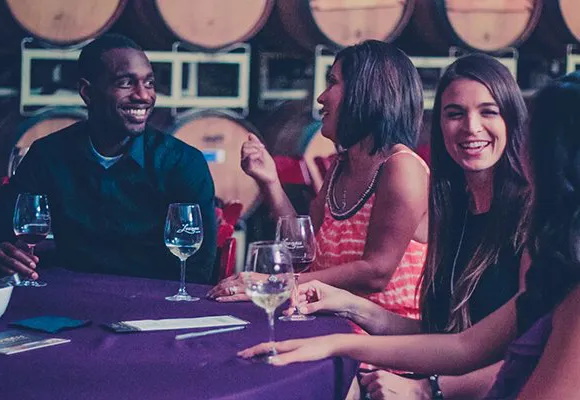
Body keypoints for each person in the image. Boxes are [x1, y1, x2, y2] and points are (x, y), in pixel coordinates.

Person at [239, 71, 580, 399]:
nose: (470, 127)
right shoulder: (456, 209)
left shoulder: (532, 236)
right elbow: (463, 343)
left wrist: (428, 389)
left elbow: (377, 272)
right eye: (454, 114)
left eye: (489, 112)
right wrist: (339, 331)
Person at [209, 40, 430, 323]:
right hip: (328, 325)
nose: (321, 97)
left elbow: (376, 272)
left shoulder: (401, 167)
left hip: (381, 345)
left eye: (332, 82)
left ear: (365, 93)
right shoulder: (342, 165)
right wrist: (270, 182)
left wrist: (276, 283)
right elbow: (304, 248)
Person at [0, 34, 216, 284]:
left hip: (152, 308)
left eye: (149, 83)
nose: (144, 96)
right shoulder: (48, 155)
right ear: (87, 92)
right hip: (71, 303)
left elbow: (199, 269)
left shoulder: (183, 162)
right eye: (126, 83)